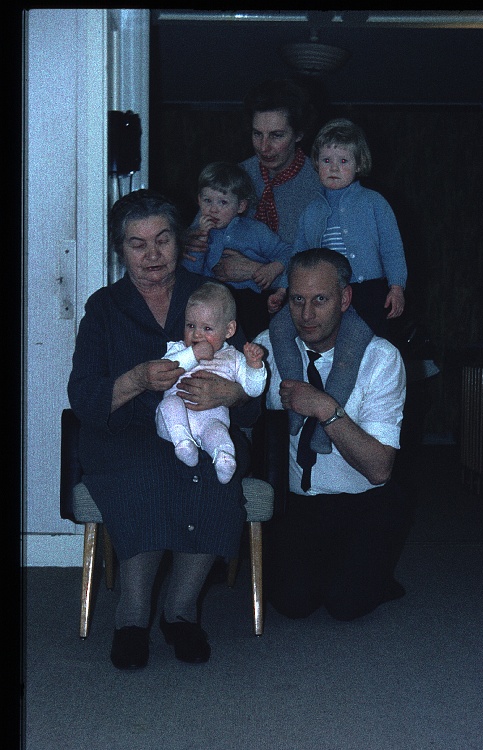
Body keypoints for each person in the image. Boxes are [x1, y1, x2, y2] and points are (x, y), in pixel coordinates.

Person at [68, 189, 261, 670]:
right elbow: (84, 398)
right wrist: (135, 380)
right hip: (123, 434)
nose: (152, 255)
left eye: (162, 240)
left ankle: (180, 610)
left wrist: (229, 396)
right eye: (138, 244)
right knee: (150, 471)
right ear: (120, 250)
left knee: (215, 473)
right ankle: (132, 616)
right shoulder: (104, 309)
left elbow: (254, 396)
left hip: (204, 425)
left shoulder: (212, 298)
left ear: (180, 242)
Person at [254, 248, 409, 621]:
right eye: (298, 300)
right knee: (292, 603)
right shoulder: (267, 347)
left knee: (345, 604)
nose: (307, 315)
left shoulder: (381, 359)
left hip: (365, 500)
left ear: (345, 298)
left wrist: (324, 408)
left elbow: (380, 469)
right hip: (299, 503)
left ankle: (376, 572)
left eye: (320, 300)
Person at [186, 78, 322, 317]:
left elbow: (325, 268)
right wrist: (189, 240)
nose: (264, 147)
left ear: (299, 134)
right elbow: (192, 241)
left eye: (277, 135)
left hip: (299, 309)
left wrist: (256, 270)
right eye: (257, 134)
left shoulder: (320, 186)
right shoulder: (232, 178)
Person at [289, 118, 408, 337]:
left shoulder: (374, 202)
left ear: (359, 164)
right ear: (316, 163)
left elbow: (392, 249)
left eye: (343, 161)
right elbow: (298, 254)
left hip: (368, 290)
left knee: (368, 343)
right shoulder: (311, 210)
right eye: (326, 160)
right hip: (325, 293)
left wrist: (396, 287)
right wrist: (284, 287)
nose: (334, 167)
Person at [155, 281, 266, 484]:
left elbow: (253, 389)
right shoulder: (178, 350)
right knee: (169, 405)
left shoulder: (233, 357)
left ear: (229, 330)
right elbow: (165, 369)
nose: (197, 334)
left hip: (212, 420)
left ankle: (224, 460)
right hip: (173, 421)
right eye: (190, 326)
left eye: (207, 328)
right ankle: (183, 444)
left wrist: (254, 366)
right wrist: (192, 354)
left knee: (218, 432)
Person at [182, 162, 291, 337]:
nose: (213, 209)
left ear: (241, 206)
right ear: (198, 200)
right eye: (207, 200)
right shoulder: (198, 234)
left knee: (253, 340)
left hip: (251, 300)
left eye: (223, 202)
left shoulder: (255, 230)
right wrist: (201, 240)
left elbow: (288, 251)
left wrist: (274, 267)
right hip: (214, 301)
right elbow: (191, 273)